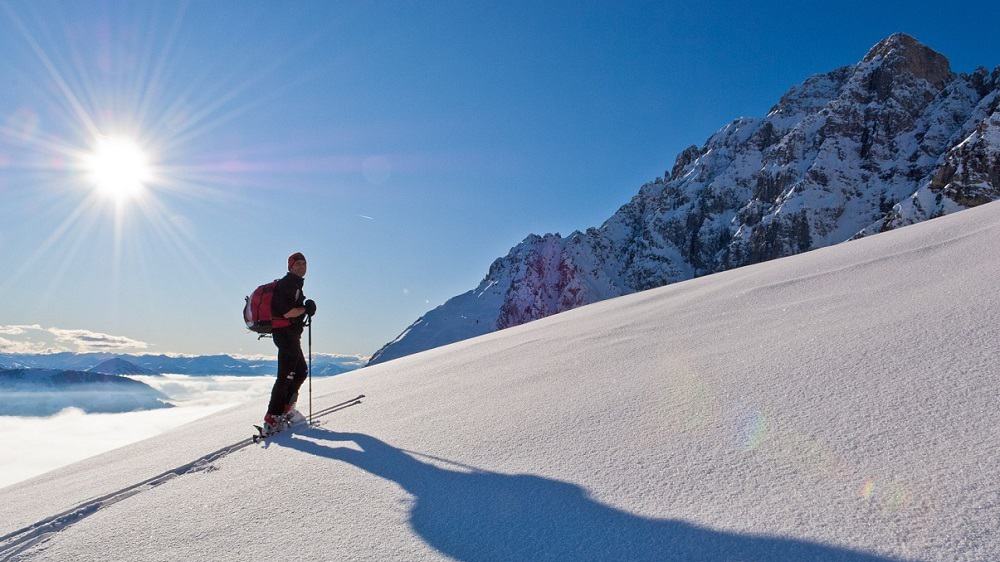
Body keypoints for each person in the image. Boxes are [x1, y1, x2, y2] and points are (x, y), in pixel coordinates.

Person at [263, 251, 316, 433]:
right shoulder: (287, 284)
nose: (302, 266)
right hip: (285, 335)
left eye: (304, 263)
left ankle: (286, 409)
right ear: (290, 267)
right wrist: (305, 309)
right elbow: (286, 312)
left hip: (291, 335)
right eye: (298, 264)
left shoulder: (295, 285)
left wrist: (304, 309)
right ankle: (273, 416)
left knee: (300, 371)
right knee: (286, 375)